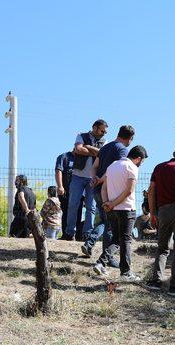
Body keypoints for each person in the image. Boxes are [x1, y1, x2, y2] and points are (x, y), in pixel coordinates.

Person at [145, 143, 175, 296]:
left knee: (162, 248)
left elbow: (151, 191)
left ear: (174, 153)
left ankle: (156, 281)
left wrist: (153, 213)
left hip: (163, 211)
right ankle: (174, 287)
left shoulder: (159, 168)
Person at [93, 145, 148, 282]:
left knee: (116, 239)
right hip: (126, 209)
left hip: (111, 209)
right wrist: (112, 203)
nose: (142, 164)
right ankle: (126, 273)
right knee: (126, 240)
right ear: (138, 158)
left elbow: (104, 187)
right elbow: (129, 191)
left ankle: (101, 262)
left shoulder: (112, 166)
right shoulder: (132, 168)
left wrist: (107, 202)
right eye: (143, 161)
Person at [82, 125, 135, 263]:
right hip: (109, 190)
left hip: (97, 190)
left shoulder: (105, 147)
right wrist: (101, 179)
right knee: (111, 225)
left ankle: (90, 244)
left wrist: (95, 178)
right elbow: (117, 168)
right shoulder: (122, 150)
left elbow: (94, 167)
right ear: (130, 138)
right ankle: (108, 258)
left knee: (105, 221)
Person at [65, 119, 108, 241]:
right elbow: (78, 149)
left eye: (105, 132)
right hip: (77, 176)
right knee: (73, 204)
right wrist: (95, 152)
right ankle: (69, 232)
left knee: (91, 207)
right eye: (102, 130)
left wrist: (88, 147)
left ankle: (87, 234)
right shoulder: (81, 136)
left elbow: (102, 154)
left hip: (93, 178)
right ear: (94, 128)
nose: (104, 134)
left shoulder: (105, 141)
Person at [55, 151, 83, 240]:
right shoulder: (64, 157)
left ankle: (78, 235)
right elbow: (58, 171)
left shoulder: (84, 158)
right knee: (66, 212)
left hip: (79, 192)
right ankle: (66, 235)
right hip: (66, 191)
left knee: (78, 213)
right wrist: (60, 186)